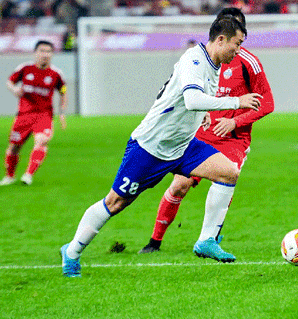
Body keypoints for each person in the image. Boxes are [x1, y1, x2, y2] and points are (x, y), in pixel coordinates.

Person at [60, 16, 262, 277]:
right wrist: (237, 102)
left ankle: (206, 240)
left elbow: (188, 99)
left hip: (183, 144)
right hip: (151, 146)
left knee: (229, 172)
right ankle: (72, 251)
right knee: (115, 202)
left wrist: (203, 114)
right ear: (221, 39)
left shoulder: (214, 65)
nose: (239, 50)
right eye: (237, 43)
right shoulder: (194, 60)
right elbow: (191, 99)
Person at [139, 8, 274, 261]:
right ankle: (155, 241)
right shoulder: (204, 60)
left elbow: (267, 103)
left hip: (234, 140)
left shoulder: (249, 62)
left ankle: (210, 237)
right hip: (203, 134)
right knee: (180, 184)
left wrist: (235, 122)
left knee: (226, 177)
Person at [2, 40, 67, 186]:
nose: (45, 54)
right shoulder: (25, 68)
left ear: (52, 54)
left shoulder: (56, 73)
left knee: (42, 140)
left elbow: (63, 92)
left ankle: (28, 175)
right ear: (36, 53)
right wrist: (14, 89)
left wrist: (62, 112)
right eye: (42, 51)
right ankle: (9, 176)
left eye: (48, 51)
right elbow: (9, 82)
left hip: (44, 115)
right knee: (14, 146)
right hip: (24, 115)